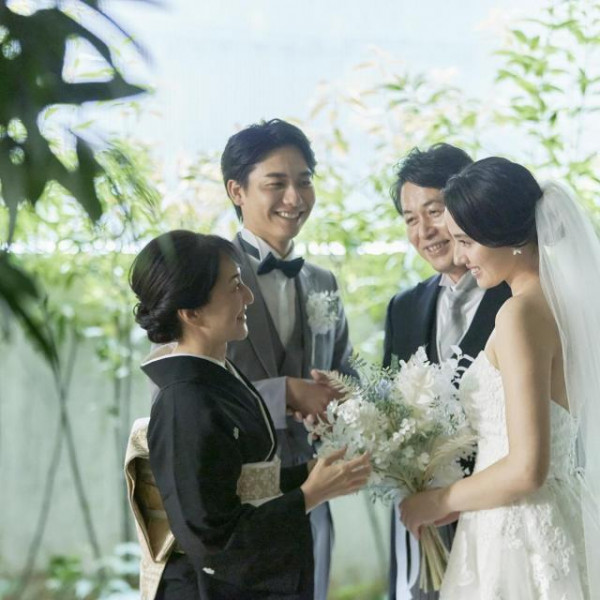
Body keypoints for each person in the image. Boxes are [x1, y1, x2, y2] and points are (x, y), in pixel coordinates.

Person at [127, 230, 371, 600]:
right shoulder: (184, 401)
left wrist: (310, 473)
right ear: (191, 312)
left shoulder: (217, 374)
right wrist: (309, 495)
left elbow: (243, 483)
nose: (248, 297)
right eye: (235, 286)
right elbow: (212, 539)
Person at [400, 157, 600, 599]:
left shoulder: (518, 315)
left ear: (504, 236)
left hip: (519, 532)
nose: (460, 257)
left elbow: (527, 468)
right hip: (549, 512)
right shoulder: (564, 308)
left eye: (466, 242)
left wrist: (438, 500)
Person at [221, 118, 354, 600]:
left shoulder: (323, 282)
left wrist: (342, 399)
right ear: (237, 191)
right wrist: (285, 394)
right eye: (276, 184)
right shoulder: (203, 272)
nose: (294, 198)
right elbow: (175, 388)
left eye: (304, 181)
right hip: (236, 501)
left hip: (313, 495)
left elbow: (347, 371)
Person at [385, 144, 511, 600]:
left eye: (434, 211)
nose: (424, 231)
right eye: (409, 219)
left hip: (500, 520)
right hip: (425, 529)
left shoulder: (519, 299)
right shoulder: (402, 308)